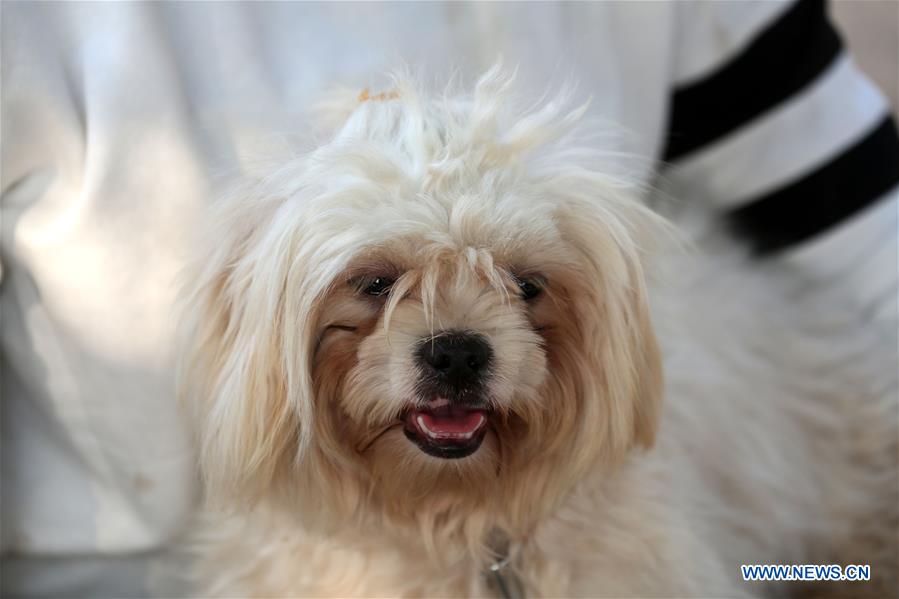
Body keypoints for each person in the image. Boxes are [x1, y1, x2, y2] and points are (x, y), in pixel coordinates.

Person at [2, 1, 896, 596]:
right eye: (377, 286)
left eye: (524, 286)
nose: (456, 338)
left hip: (798, 547)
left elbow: (873, 235)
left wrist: (813, 575)